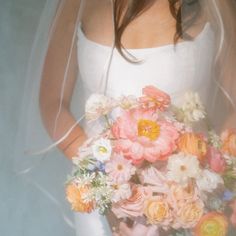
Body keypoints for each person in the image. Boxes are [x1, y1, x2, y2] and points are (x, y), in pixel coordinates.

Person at [19, 0, 236, 235]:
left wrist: (202, 183)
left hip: (191, 200)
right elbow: (52, 103)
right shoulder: (76, 3)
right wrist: (109, 186)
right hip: (104, 204)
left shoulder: (216, 4)